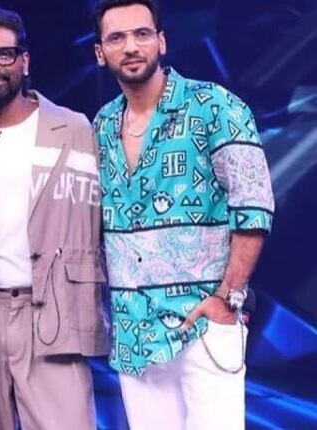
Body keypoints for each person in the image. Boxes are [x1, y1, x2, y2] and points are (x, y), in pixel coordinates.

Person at [92, 1, 275, 429]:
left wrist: (227, 299)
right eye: (116, 37)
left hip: (204, 323)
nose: (131, 46)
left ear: (161, 41)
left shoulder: (214, 106)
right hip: (135, 333)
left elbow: (254, 204)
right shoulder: (102, 124)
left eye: (141, 34)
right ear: (100, 53)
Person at [0, 7, 107, 430]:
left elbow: (110, 218)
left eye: (4, 54)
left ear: (25, 60)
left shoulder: (76, 130)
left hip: (55, 313)